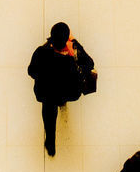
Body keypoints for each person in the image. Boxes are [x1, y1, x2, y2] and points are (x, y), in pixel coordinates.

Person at [27, 22, 94, 157]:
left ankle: (50, 140)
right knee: (56, 98)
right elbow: (89, 64)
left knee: (48, 111)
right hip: (69, 91)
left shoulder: (41, 52)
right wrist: (75, 47)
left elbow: (31, 71)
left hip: (47, 93)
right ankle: (61, 103)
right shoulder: (72, 52)